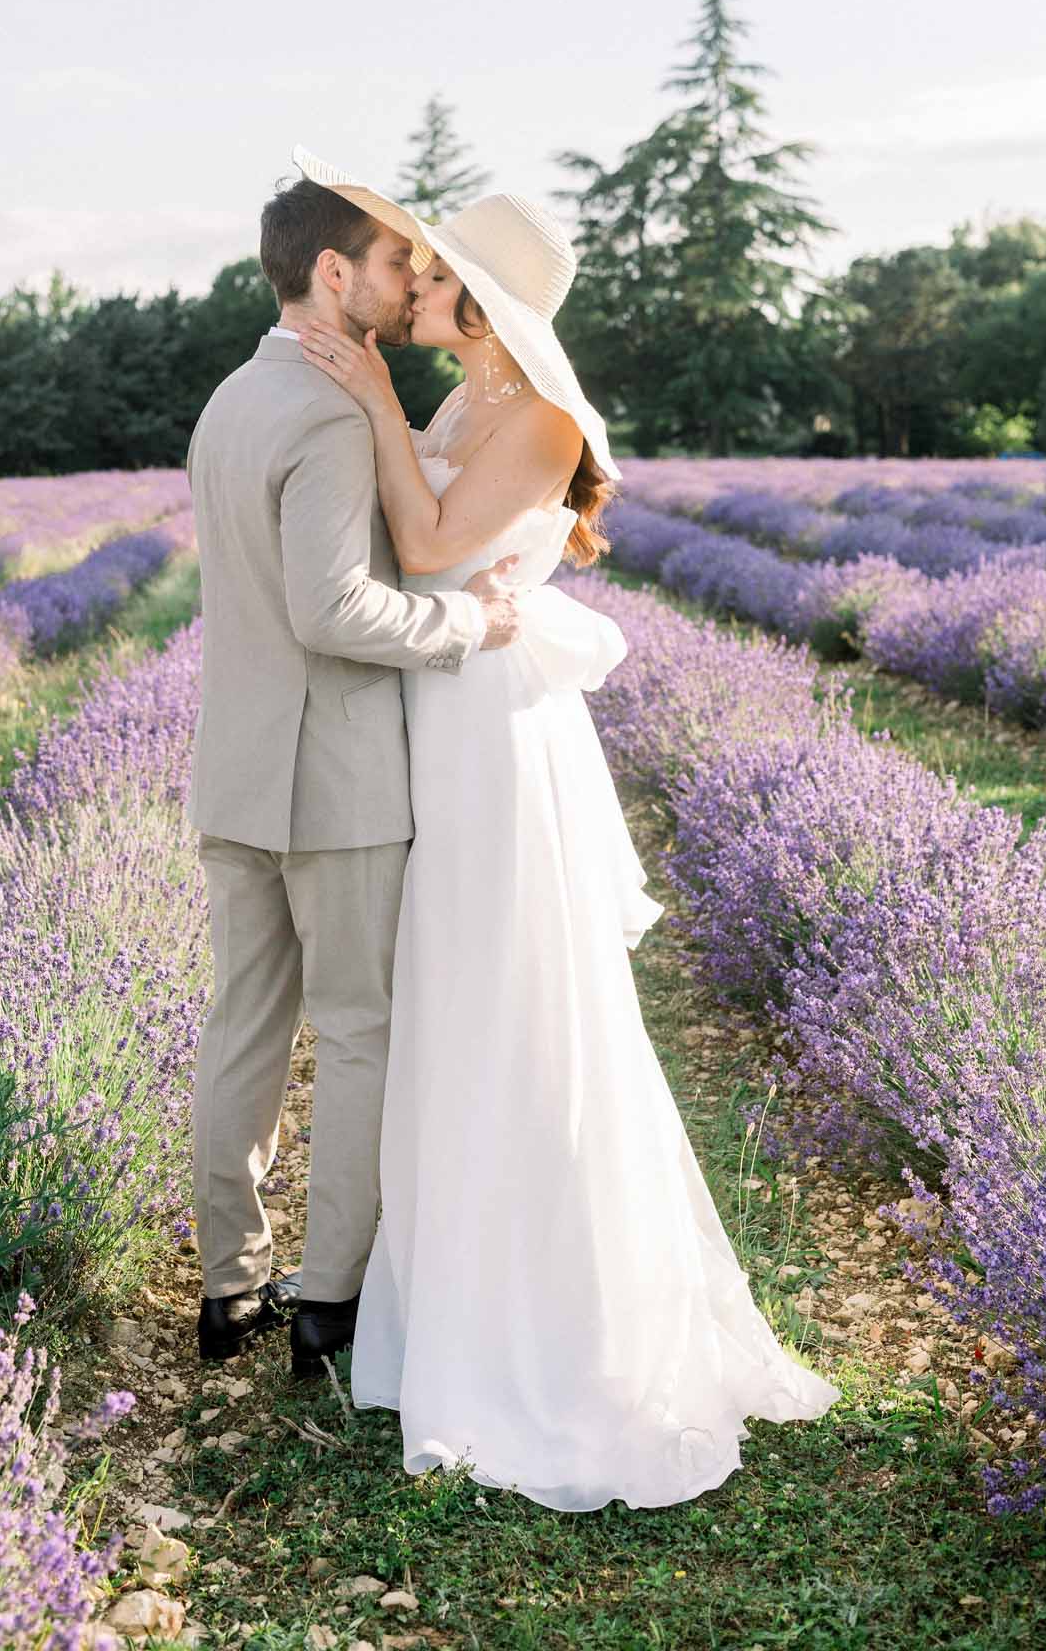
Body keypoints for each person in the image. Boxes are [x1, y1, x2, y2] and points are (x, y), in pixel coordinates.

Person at [298, 180, 840, 1511]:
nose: (410, 288)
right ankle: (458, 1303)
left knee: (513, 995)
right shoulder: (466, 400)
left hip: (497, 726)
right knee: (456, 995)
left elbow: (425, 538)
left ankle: (554, 1336)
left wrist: (361, 390)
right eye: (410, 272)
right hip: (450, 699)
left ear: (477, 304)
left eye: (429, 278)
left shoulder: (537, 418)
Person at [184, 150, 522, 1379]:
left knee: (245, 1031)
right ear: (332, 271)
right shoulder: (330, 411)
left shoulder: (229, 397)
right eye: (391, 260)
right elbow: (331, 610)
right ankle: (329, 1303)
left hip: (234, 768)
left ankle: (229, 1291)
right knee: (360, 1032)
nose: (408, 277)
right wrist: (465, 628)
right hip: (333, 778)